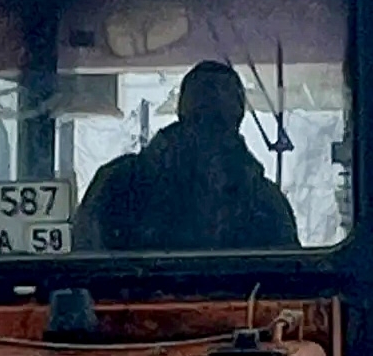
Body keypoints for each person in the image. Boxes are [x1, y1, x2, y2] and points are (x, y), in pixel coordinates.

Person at [73, 60, 300, 252]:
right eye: (201, 114)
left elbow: (289, 278)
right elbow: (85, 268)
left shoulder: (117, 183)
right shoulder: (119, 185)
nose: (207, 132)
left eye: (217, 118)